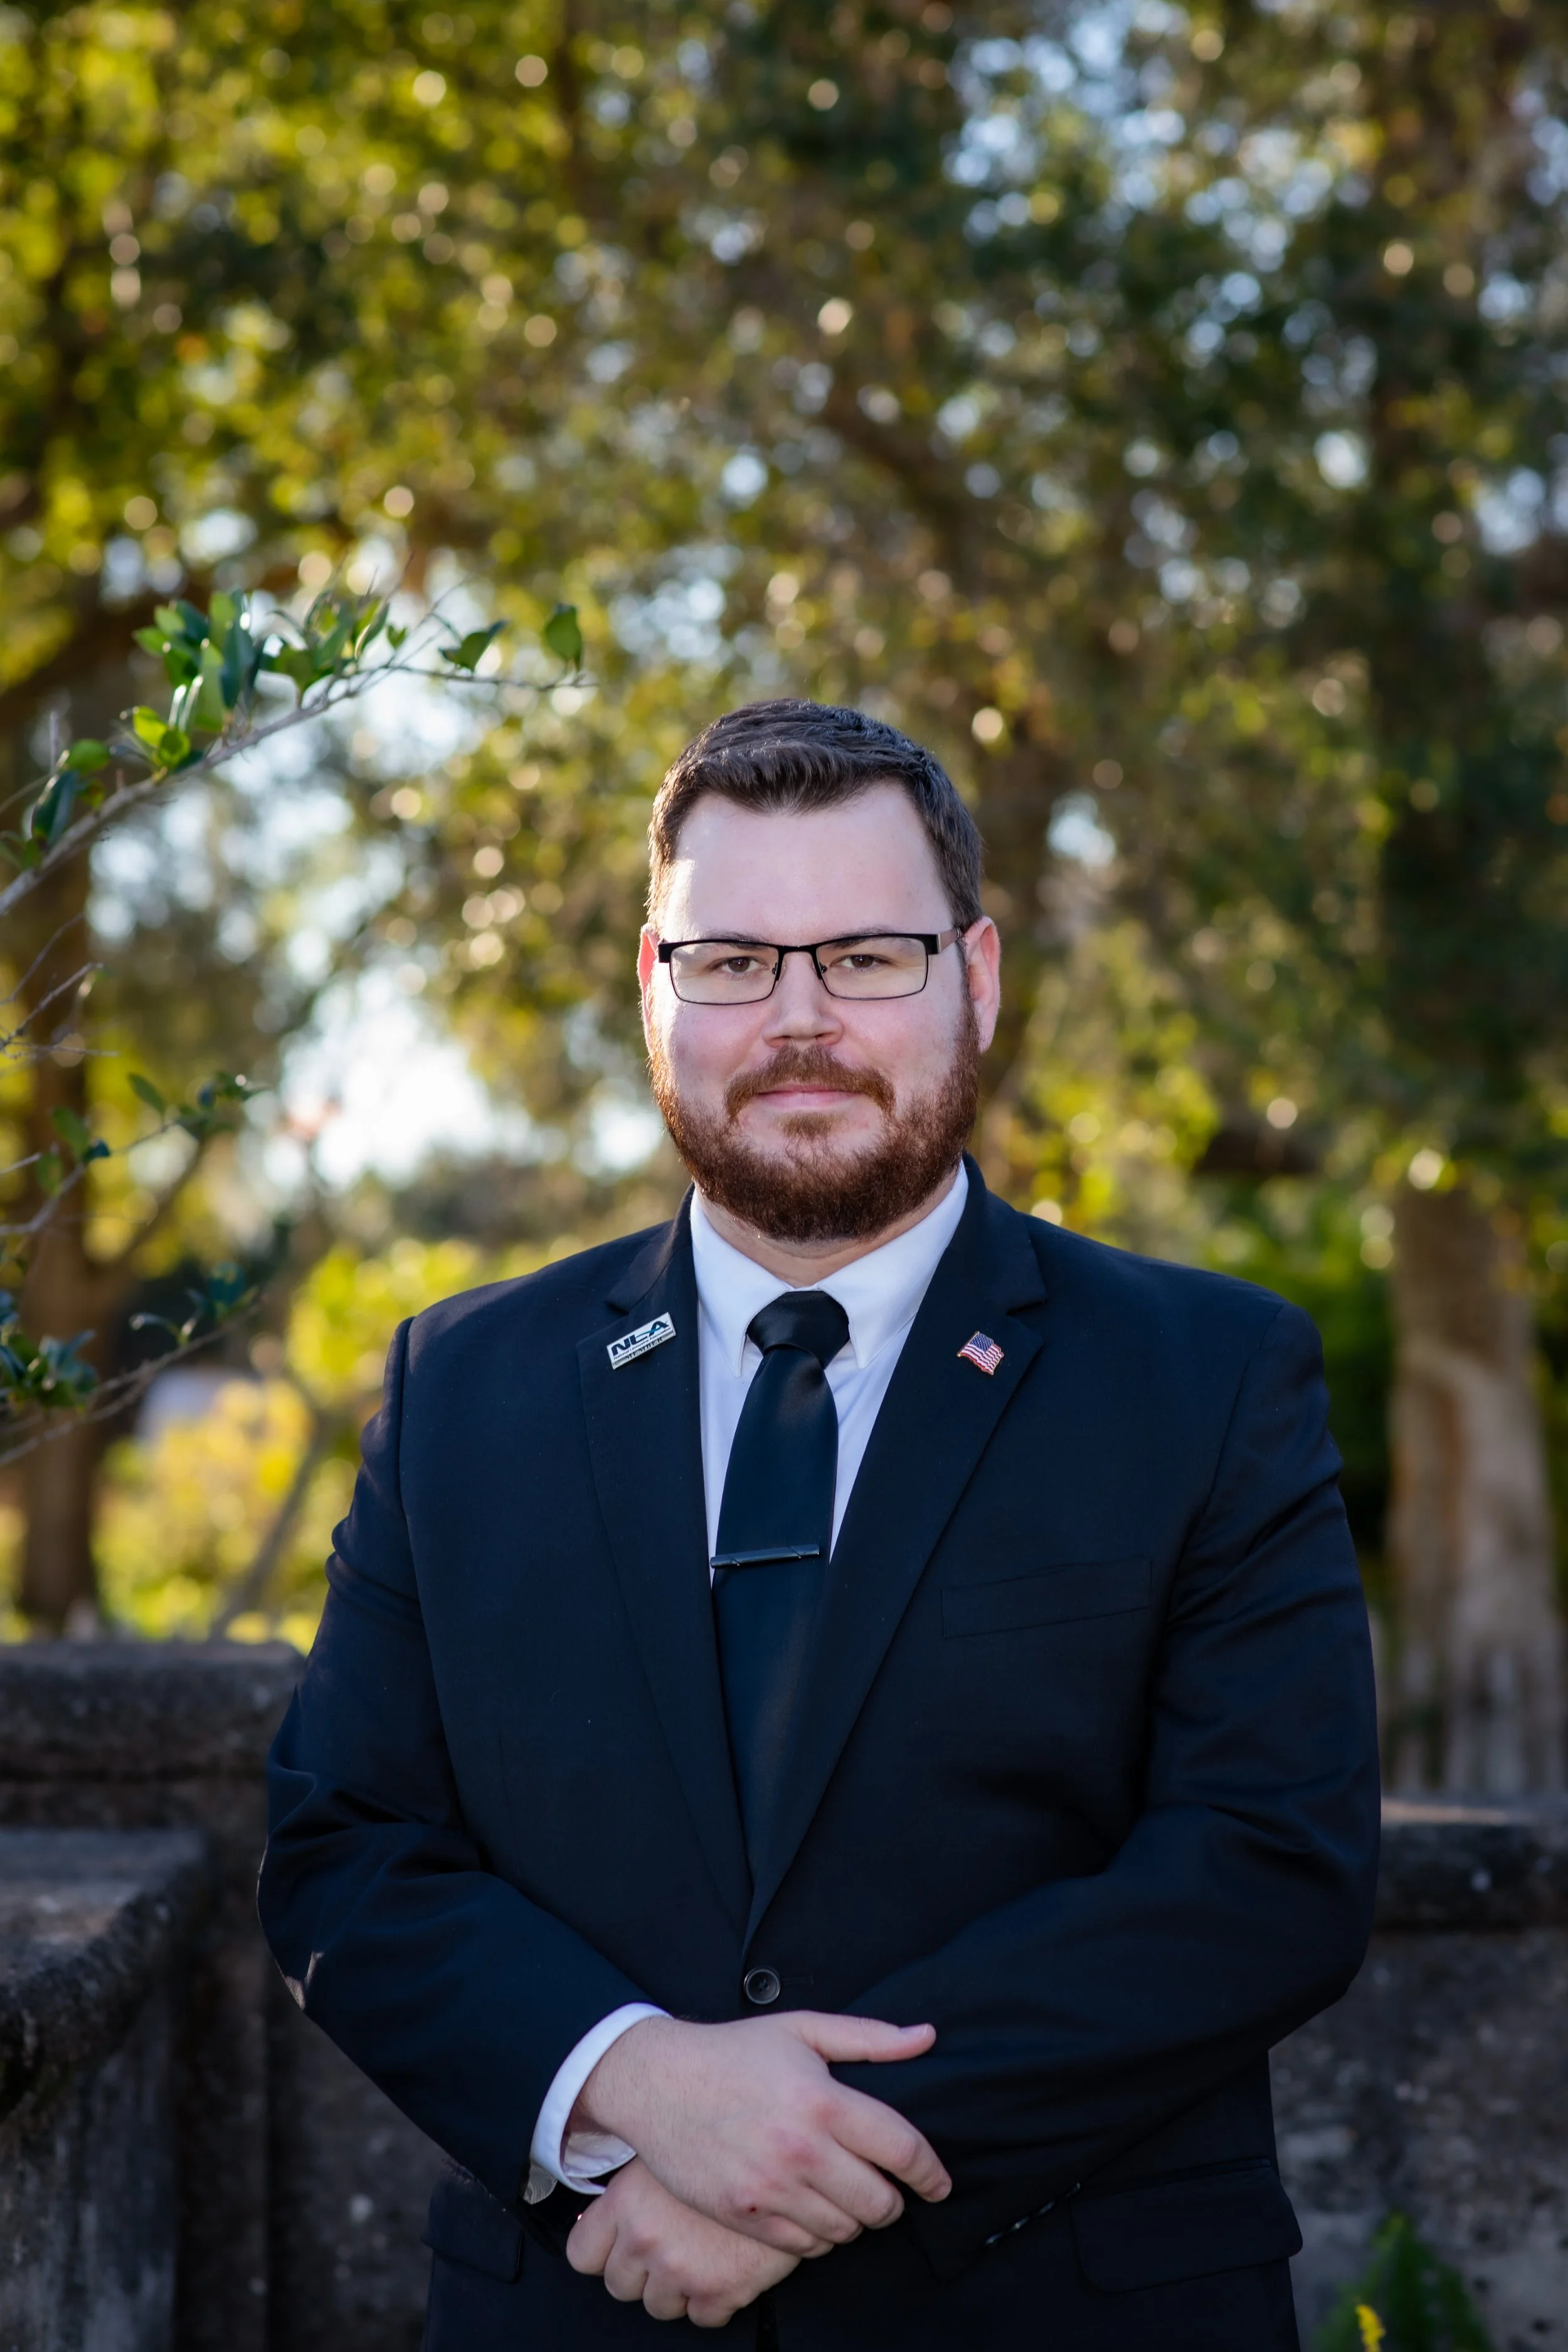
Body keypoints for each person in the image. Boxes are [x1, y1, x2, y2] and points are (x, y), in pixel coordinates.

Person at [258, 699, 1380, 2350]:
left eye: (865, 956)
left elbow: (1264, 1863)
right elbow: (347, 1844)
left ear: (976, 977)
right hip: (580, 2304)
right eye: (732, 963)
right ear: (653, 987)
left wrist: (788, 2156)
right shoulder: (460, 1384)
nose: (797, 1018)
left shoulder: (1207, 1374)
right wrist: (634, 2082)